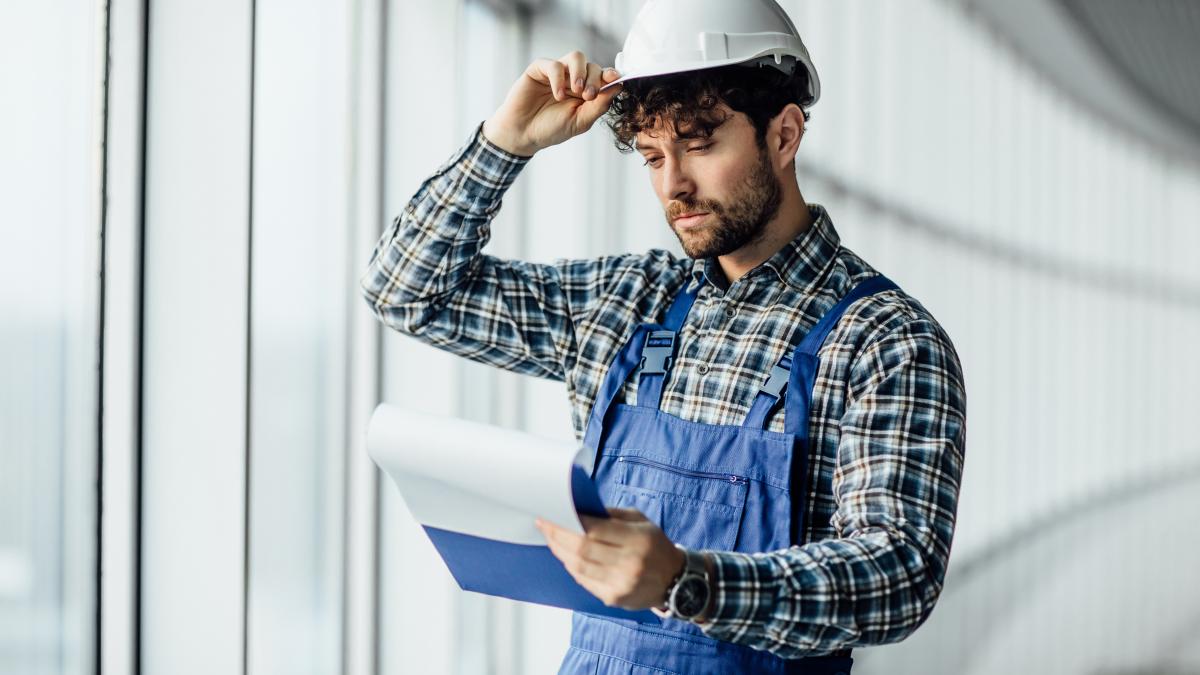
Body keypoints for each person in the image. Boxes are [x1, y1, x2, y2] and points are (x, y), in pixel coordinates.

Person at [360, 1, 966, 672]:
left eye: (700, 144)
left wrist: (689, 580)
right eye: (652, 156)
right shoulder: (626, 302)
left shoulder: (887, 340)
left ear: (785, 134)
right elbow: (408, 290)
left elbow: (899, 575)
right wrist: (506, 143)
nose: (673, 184)